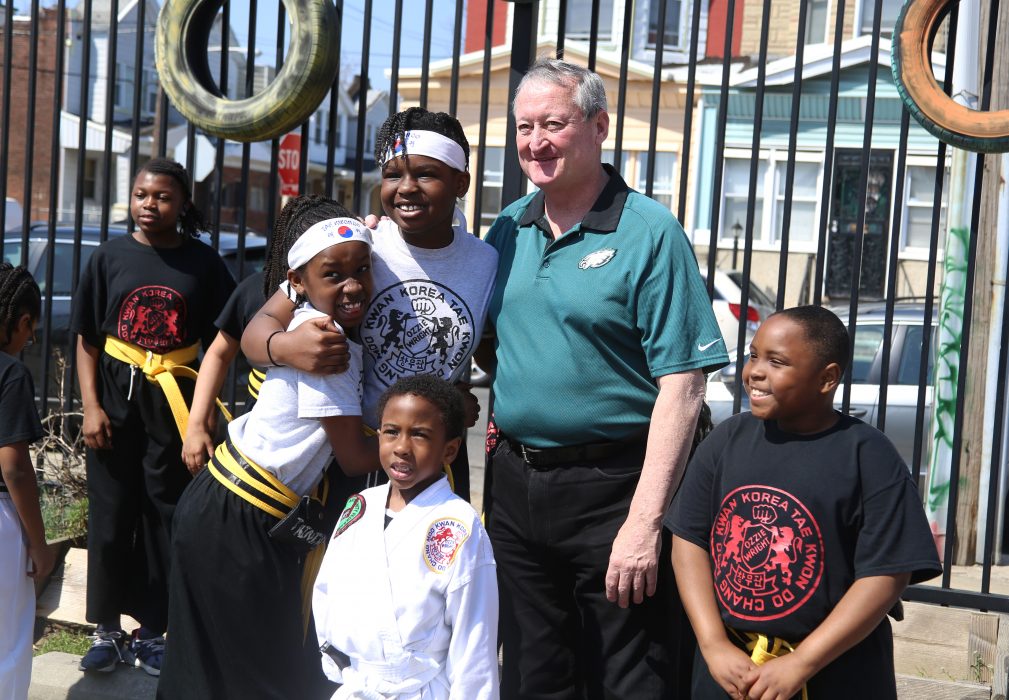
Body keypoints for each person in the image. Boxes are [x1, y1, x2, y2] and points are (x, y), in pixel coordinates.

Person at [476, 58, 728, 699]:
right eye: (524, 126)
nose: (535, 142)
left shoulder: (650, 232)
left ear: (598, 127)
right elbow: (488, 347)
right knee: (533, 673)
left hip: (615, 488)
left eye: (554, 124)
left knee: (628, 674)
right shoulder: (507, 227)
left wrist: (644, 523)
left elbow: (684, 384)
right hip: (516, 486)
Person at [158, 209, 381, 700]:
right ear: (298, 281)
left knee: (204, 669)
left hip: (222, 502)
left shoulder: (303, 318)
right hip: (240, 515)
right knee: (250, 674)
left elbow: (267, 318)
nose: (352, 284)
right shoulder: (329, 346)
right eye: (334, 274)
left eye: (362, 269)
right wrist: (423, 428)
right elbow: (356, 459)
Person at [666, 306, 942, 700]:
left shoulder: (868, 455)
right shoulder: (726, 441)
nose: (755, 372)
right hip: (730, 674)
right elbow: (689, 542)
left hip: (837, 674)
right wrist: (713, 645)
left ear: (827, 377)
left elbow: (886, 576)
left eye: (777, 361)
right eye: (753, 355)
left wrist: (802, 662)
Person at [241, 107, 498, 502]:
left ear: (461, 182)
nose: (406, 188)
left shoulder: (487, 263)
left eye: (425, 174)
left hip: (437, 462)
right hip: (361, 459)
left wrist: (453, 405)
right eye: (393, 175)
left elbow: (491, 345)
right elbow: (256, 333)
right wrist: (287, 348)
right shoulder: (362, 247)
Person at [70, 158, 236, 675]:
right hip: (116, 403)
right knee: (112, 512)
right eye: (142, 194)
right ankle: (107, 630)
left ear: (183, 202)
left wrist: (200, 421)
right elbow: (87, 341)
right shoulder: (108, 257)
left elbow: (223, 344)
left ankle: (154, 631)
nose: (149, 205)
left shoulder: (204, 265)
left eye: (162, 196)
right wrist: (92, 406)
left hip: (175, 404)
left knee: (166, 514)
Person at [313, 375, 498, 699]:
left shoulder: (457, 525)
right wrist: (337, 658)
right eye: (391, 432)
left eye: (420, 435)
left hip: (421, 688)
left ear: (450, 450)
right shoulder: (361, 505)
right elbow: (326, 588)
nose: (401, 447)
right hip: (357, 683)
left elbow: (474, 639)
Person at [181, 197, 320, 474]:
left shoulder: (353, 298)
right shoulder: (255, 290)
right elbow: (218, 354)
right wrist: (196, 424)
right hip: (261, 435)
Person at [0, 263, 56, 700]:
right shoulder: (10, 373)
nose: (29, 341)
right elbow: (14, 467)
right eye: (31, 332)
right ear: (21, 322)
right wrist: (38, 544)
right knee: (7, 641)